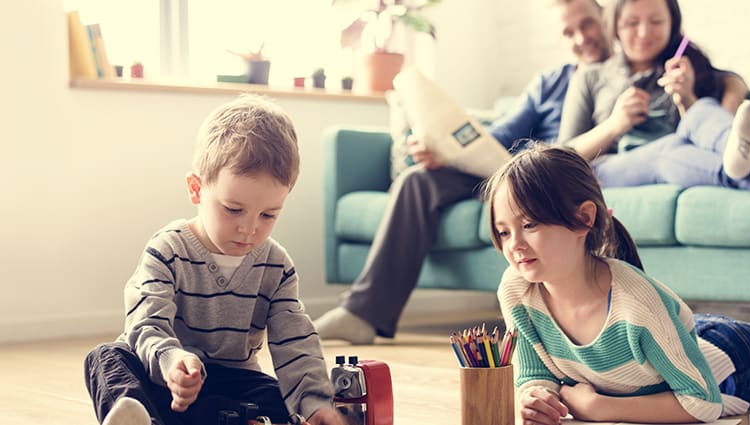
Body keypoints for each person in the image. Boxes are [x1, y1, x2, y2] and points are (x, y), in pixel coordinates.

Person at [313, 0, 614, 345]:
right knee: (418, 181)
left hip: (554, 183)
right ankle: (362, 313)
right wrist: (447, 152)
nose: (580, 39)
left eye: (587, 25)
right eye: (569, 32)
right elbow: (500, 135)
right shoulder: (551, 82)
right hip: (510, 175)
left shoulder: (619, 79)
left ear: (605, 20)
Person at [484, 145, 750, 424]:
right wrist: (533, 396)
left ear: (583, 219)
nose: (513, 245)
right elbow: (535, 373)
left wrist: (600, 407)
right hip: (685, 342)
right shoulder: (517, 291)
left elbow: (702, 402)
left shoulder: (637, 303)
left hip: (738, 363)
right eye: (503, 231)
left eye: (530, 225)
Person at [83, 95, 344, 425]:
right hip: (165, 379)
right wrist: (171, 360)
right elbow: (146, 323)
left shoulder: (276, 267)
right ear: (196, 189)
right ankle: (138, 419)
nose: (249, 229)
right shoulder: (167, 250)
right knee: (106, 357)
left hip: (235, 384)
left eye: (269, 214)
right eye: (233, 209)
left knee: (278, 396)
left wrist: (314, 404)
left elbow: (294, 341)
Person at [558, 0, 750, 197]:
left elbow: (730, 80)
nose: (644, 32)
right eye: (632, 23)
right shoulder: (591, 76)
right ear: (615, 26)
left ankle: (741, 148)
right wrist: (614, 124)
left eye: (656, 21)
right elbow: (562, 156)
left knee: (700, 109)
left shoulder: (684, 66)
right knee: (669, 148)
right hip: (609, 167)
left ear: (672, 24)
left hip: (683, 155)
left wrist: (687, 99)